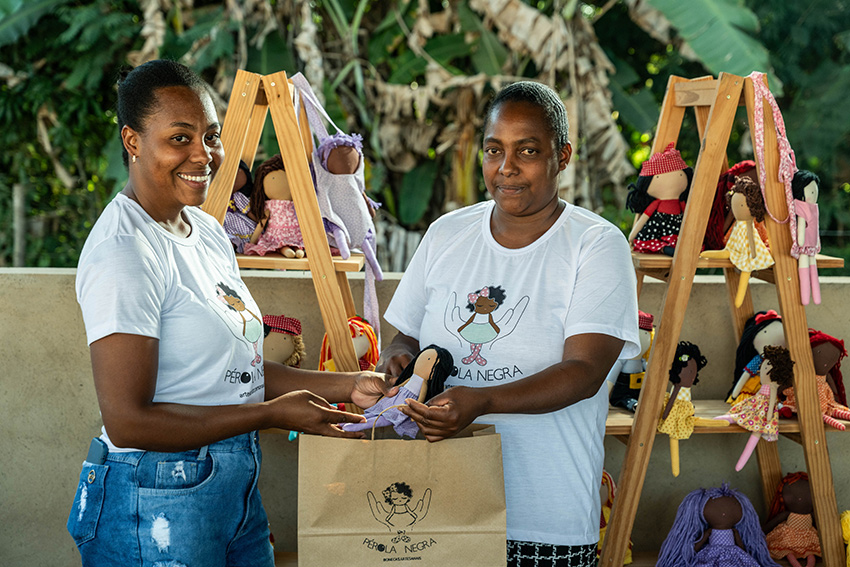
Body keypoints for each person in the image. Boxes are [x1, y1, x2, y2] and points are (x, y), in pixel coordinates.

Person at [67, 59, 395, 567]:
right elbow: (129, 421)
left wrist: (347, 386)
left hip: (232, 495)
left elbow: (232, 377)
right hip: (154, 503)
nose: (205, 154)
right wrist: (270, 415)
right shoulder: (125, 251)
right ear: (133, 142)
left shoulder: (207, 233)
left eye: (212, 135)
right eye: (180, 138)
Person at [377, 81, 640, 567]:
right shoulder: (447, 233)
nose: (507, 168)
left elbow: (584, 372)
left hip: (545, 516)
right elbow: (404, 334)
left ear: (562, 155)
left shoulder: (596, 245)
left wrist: (483, 401)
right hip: (437, 503)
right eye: (494, 150)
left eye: (529, 151)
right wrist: (397, 360)